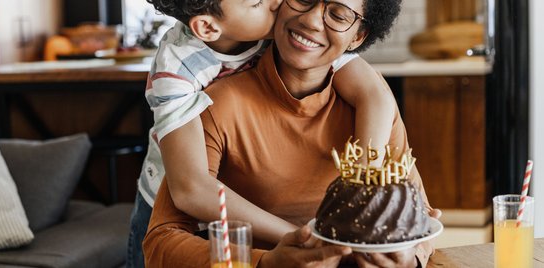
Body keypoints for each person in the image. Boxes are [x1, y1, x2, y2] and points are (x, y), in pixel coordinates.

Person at [142, 0, 440, 266]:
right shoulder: (207, 103)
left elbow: (417, 214)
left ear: (357, 37)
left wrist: (410, 256)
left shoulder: (370, 104)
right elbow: (164, 238)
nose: (311, 20)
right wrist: (268, 261)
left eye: (337, 14)